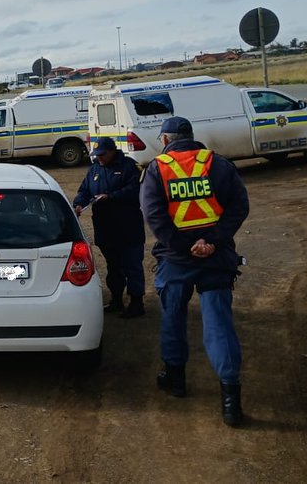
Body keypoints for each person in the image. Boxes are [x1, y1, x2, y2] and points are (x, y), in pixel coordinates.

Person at [141, 116, 250, 426]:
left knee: (173, 319)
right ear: (191, 136)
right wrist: (212, 242)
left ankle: (175, 380)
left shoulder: (157, 169)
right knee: (219, 325)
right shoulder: (218, 164)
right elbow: (239, 207)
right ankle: (231, 403)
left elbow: (154, 217)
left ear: (165, 140)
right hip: (215, 259)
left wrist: (185, 246)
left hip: (176, 261)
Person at [73, 137, 147, 318]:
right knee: (113, 266)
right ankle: (116, 300)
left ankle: (137, 303)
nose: (100, 158)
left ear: (113, 151)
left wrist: (112, 197)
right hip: (106, 228)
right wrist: (78, 204)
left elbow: (137, 190)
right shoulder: (95, 169)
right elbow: (84, 190)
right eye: (97, 155)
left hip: (128, 227)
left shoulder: (129, 166)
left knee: (132, 265)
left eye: (103, 154)